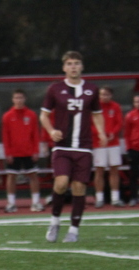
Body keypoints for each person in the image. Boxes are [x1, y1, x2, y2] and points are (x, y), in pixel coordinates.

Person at [40, 50, 107, 243]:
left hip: (84, 146)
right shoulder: (55, 89)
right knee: (61, 183)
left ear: (82, 66)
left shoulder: (92, 89)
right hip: (62, 146)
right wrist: (51, 131)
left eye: (76, 63)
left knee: (79, 187)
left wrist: (101, 132)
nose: (73, 67)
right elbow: (43, 115)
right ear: (64, 67)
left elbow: (96, 114)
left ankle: (74, 230)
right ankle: (54, 221)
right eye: (69, 64)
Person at [1, 88, 43, 213]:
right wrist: (8, 153)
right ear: (12, 100)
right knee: (11, 176)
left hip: (29, 151)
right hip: (14, 153)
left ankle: (35, 202)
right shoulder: (7, 116)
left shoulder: (31, 115)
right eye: (16, 98)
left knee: (33, 176)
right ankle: (11, 203)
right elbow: (5, 136)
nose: (18, 100)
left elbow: (35, 134)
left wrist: (36, 150)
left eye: (21, 98)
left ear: (25, 99)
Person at [91, 86, 125, 207]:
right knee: (99, 171)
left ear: (111, 95)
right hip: (99, 143)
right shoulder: (94, 108)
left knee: (114, 170)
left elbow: (119, 122)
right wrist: (100, 134)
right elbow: (91, 124)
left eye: (106, 94)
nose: (104, 97)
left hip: (113, 143)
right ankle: (99, 198)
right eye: (102, 94)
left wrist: (112, 133)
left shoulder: (115, 106)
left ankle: (115, 198)